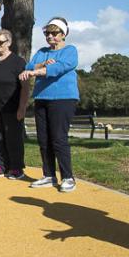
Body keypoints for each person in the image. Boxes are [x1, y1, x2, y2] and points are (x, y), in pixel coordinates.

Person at [18, 17, 79, 192]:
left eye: (54, 33)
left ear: (63, 34)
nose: (50, 36)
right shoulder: (43, 52)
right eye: (47, 33)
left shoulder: (70, 50)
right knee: (43, 139)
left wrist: (37, 71)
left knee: (58, 138)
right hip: (42, 98)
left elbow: (60, 68)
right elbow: (29, 65)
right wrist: (41, 63)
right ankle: (49, 175)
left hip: (63, 99)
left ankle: (68, 177)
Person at [0, 29, 30, 180]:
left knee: (13, 139)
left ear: (9, 43)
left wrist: (22, 108)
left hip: (12, 108)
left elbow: (25, 88)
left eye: (0, 42)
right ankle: (0, 165)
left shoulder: (18, 62)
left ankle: (16, 167)